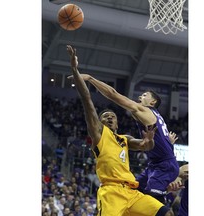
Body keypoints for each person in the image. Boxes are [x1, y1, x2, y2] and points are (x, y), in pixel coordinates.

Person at [66, 44, 174, 216]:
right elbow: (87, 98)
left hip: (132, 193)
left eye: (113, 116)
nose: (109, 117)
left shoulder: (125, 138)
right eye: (105, 116)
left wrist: (150, 139)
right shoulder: (99, 135)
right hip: (111, 193)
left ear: (117, 123)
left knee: (166, 213)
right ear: (99, 123)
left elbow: (146, 146)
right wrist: (75, 69)